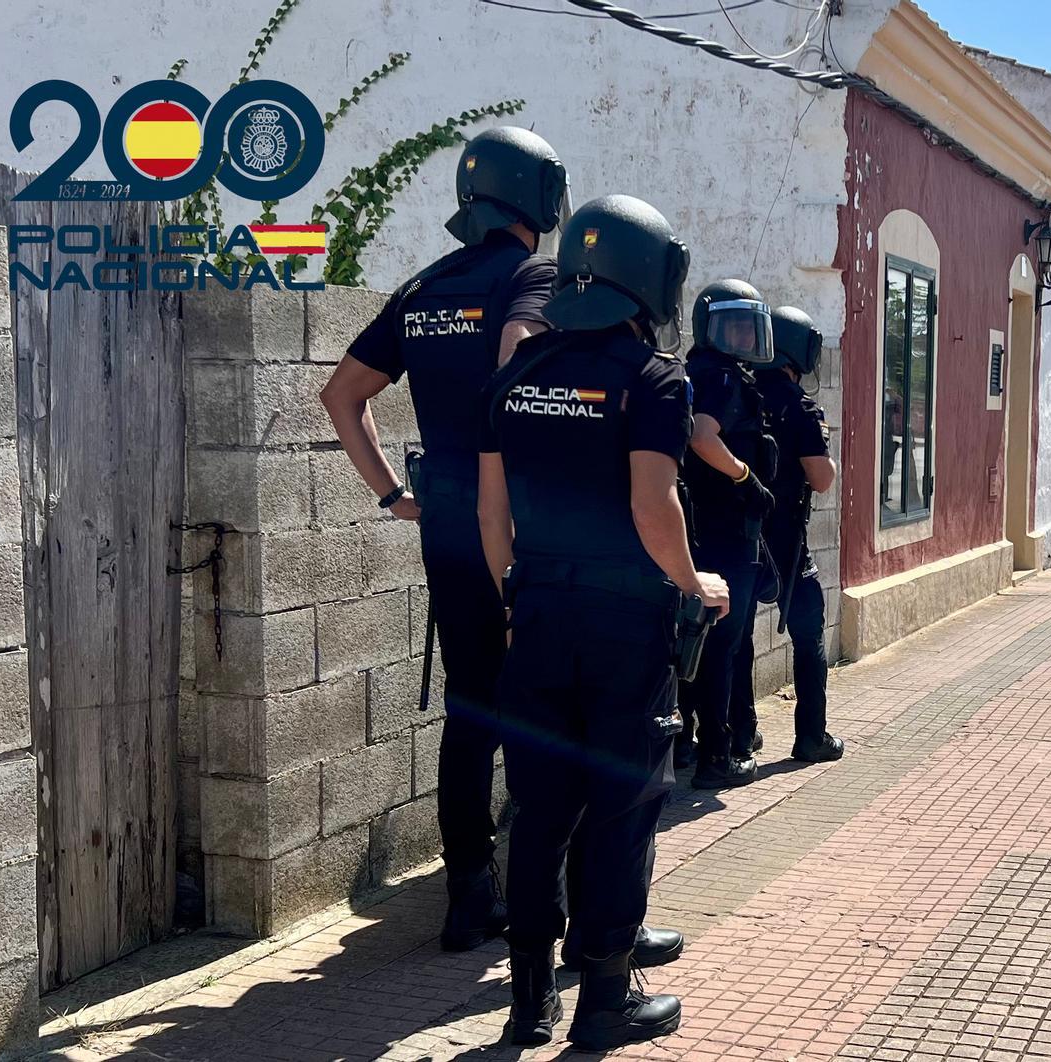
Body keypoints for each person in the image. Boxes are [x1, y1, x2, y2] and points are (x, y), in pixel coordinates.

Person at [478, 194, 729, 1049]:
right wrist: (697, 583)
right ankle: (604, 1004)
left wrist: (518, 599)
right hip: (626, 626)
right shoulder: (654, 378)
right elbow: (654, 503)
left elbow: (491, 513)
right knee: (622, 810)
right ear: (651, 279)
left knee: (540, 808)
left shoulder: (514, 372)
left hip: (539, 613)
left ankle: (527, 1004)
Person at [320, 126, 569, 951]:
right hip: (522, 524)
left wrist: (394, 494)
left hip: (447, 525)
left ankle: (468, 896)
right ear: (539, 194)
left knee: (470, 708)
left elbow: (341, 397)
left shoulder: (421, 288)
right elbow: (516, 356)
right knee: (539, 705)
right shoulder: (533, 274)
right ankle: (545, 892)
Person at [677, 280, 778, 789]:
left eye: (748, 326)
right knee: (725, 644)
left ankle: (690, 739)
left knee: (695, 637)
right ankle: (717, 756)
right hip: (725, 533)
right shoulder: (719, 378)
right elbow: (700, 435)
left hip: (693, 532)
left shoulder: (691, 372)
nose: (743, 336)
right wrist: (745, 476)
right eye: (733, 326)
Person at [753, 306, 844, 763]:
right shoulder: (799, 405)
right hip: (787, 540)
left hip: (741, 532)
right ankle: (812, 735)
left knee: (728, 637)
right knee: (809, 634)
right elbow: (822, 478)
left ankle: (737, 733)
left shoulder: (740, 393)